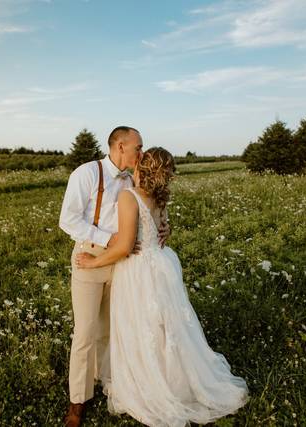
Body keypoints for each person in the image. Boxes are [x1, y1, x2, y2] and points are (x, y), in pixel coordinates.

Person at [76, 147, 249, 426]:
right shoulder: (158, 196)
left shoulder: (128, 197)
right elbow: (160, 226)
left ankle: (153, 381)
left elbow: (124, 247)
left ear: (141, 168)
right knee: (164, 325)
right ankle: (175, 375)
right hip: (162, 263)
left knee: (142, 323)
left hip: (139, 269)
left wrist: (91, 263)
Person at [58, 127, 169, 427]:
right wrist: (111, 241)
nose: (142, 152)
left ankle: (107, 382)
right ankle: (77, 401)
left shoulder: (137, 176)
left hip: (126, 265)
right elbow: (67, 220)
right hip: (91, 256)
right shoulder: (86, 173)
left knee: (111, 328)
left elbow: (151, 208)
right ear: (121, 146)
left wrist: (162, 227)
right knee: (85, 332)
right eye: (138, 146)